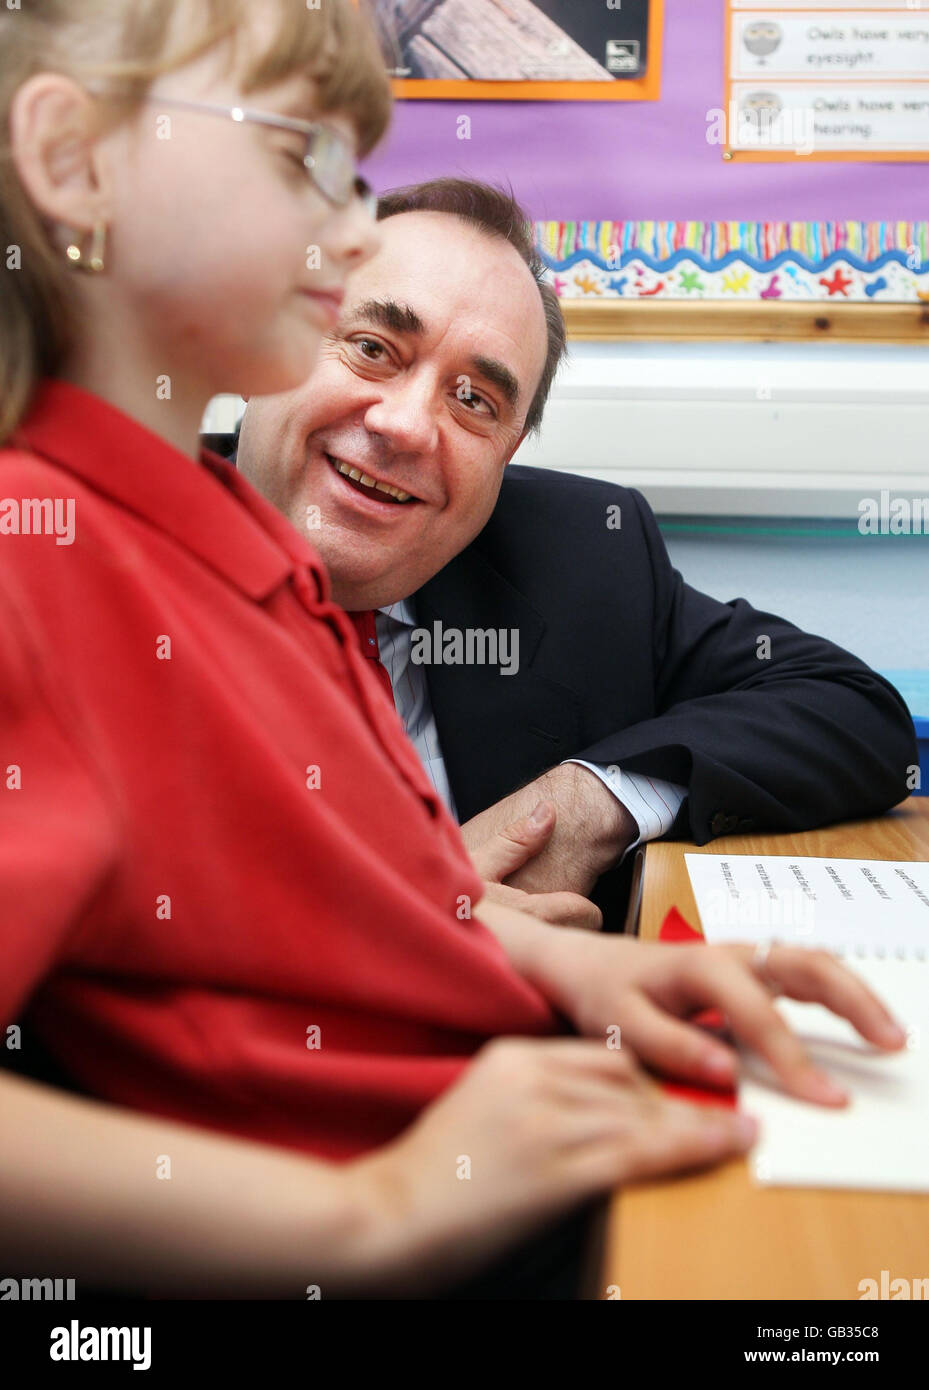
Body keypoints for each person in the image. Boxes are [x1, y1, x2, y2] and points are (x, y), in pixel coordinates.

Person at [0, 3, 905, 1302]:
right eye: (299, 153)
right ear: (72, 160)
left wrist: (556, 950)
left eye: (478, 397)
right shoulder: (45, 563)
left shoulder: (232, 560)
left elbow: (301, 904)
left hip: (545, 1120)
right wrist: (369, 1211)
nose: (351, 228)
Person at [236, 177, 918, 932]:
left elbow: (851, 709)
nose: (405, 425)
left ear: (508, 452)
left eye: (474, 402)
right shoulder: (104, 560)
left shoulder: (581, 551)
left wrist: (586, 801)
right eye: (372, 349)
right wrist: (404, 924)